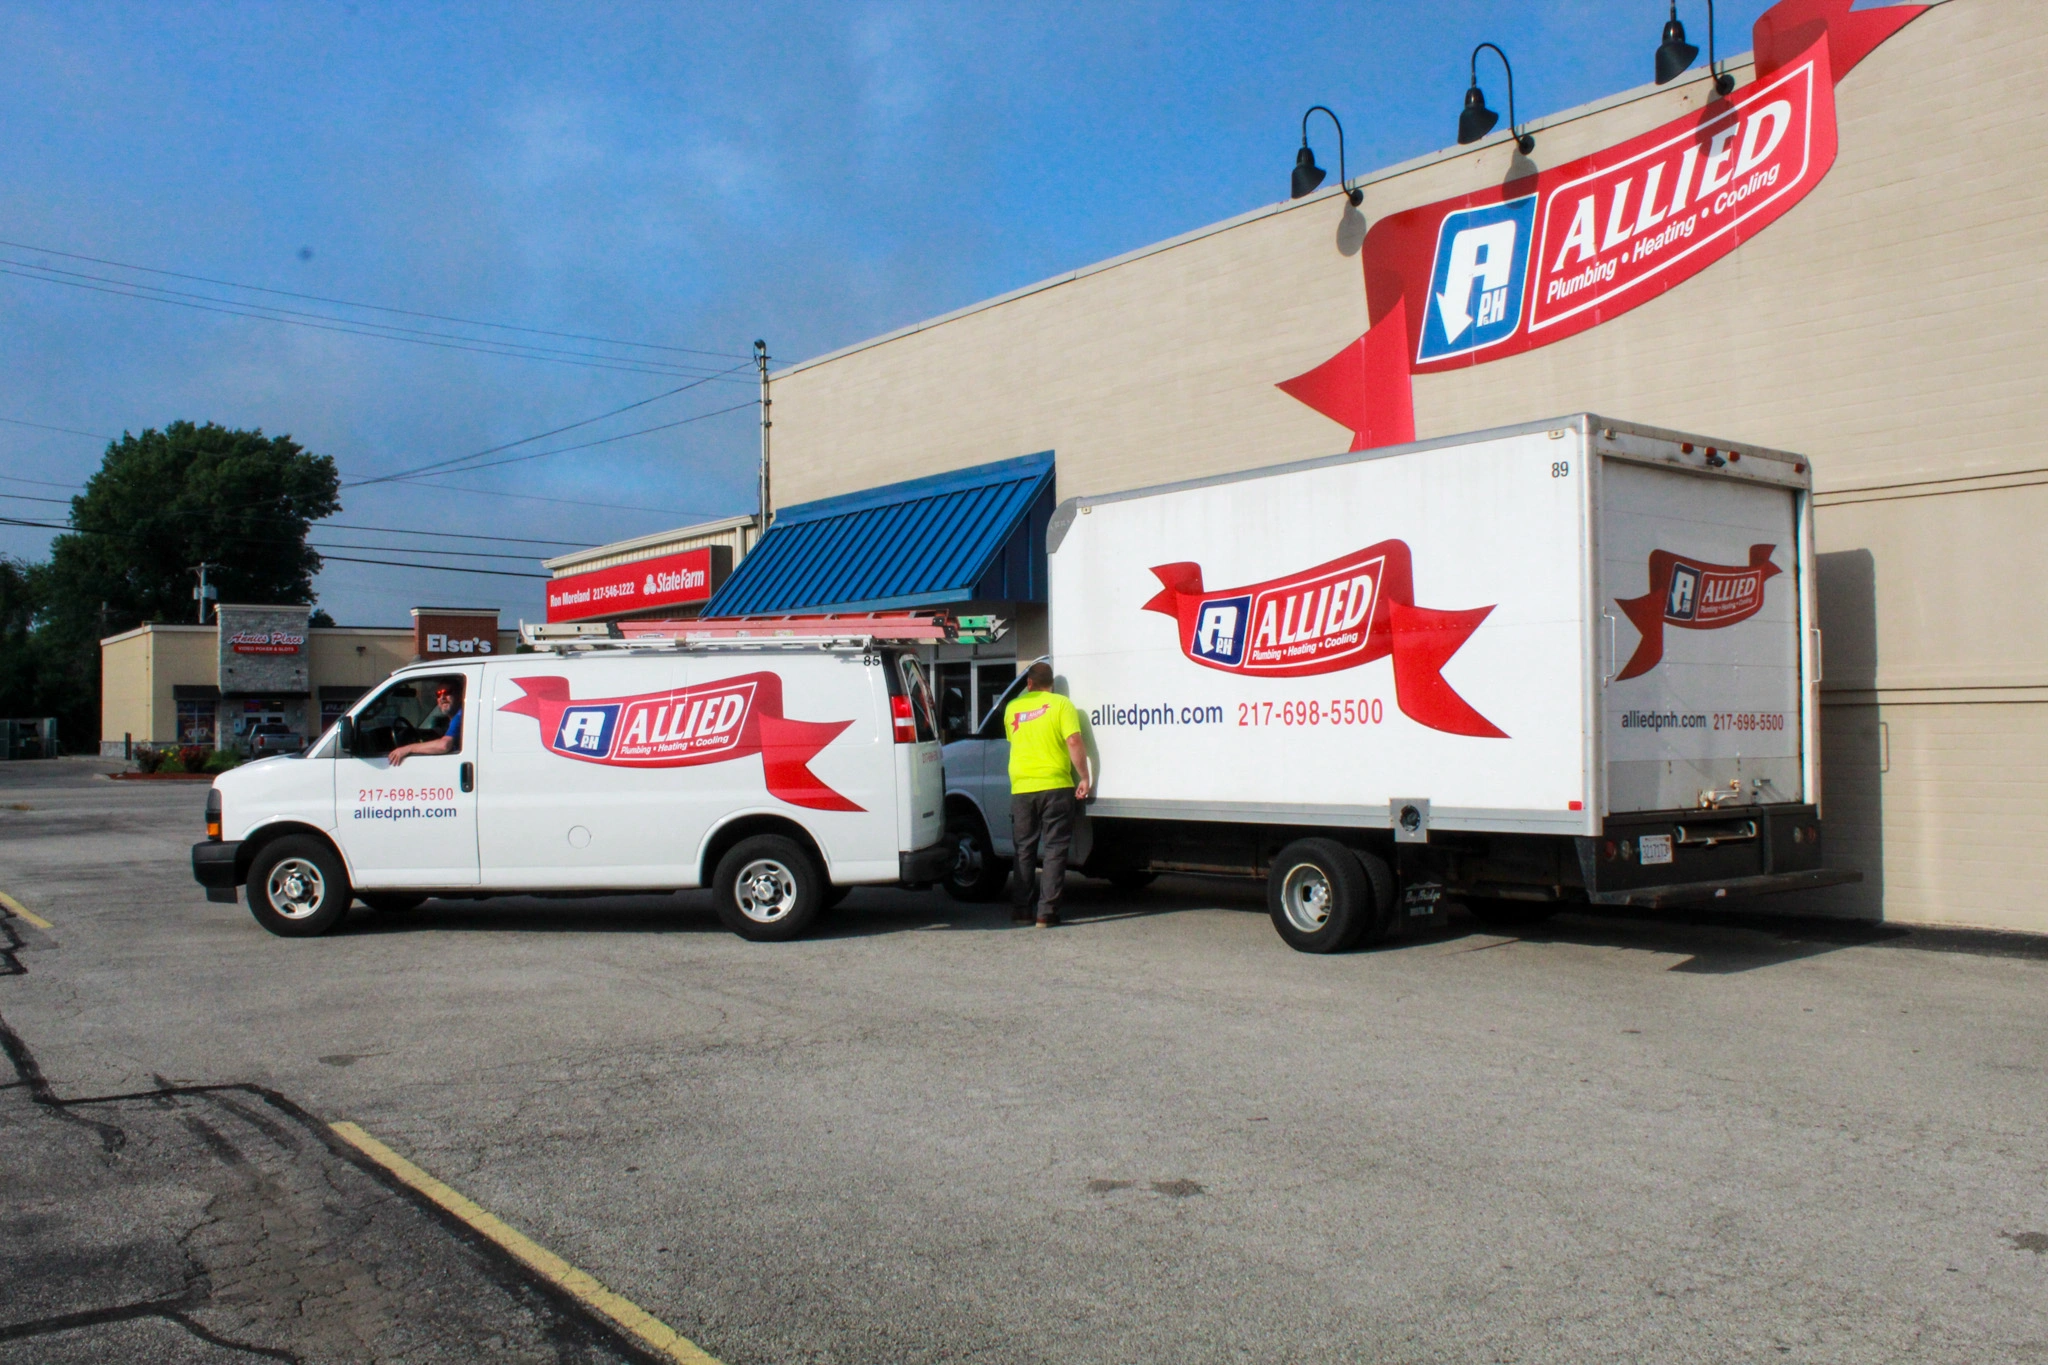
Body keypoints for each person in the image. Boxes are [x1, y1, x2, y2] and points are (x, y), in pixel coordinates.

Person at [1003, 661, 1091, 928]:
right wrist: (1084, 776)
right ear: (1051, 684)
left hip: (1021, 788)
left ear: (1029, 684)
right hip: (1055, 785)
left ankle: (1021, 911)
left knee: (1024, 850)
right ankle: (1046, 914)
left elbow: (1013, 740)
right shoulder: (1061, 705)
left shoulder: (1012, 708)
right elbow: (1074, 741)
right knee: (1054, 849)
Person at [387, 682, 463, 768]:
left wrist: (408, 748)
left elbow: (444, 745)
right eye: (438, 694)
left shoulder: (460, 716)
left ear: (459, 695)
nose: (442, 697)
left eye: (447, 692)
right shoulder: (456, 718)